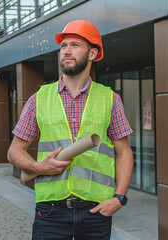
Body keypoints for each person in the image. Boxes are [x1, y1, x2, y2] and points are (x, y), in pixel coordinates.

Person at [7, 20, 133, 240]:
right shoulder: (39, 99)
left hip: (97, 210)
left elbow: (124, 152)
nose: (66, 51)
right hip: (50, 211)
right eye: (63, 46)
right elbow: (14, 151)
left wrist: (119, 198)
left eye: (75, 45)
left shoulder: (110, 99)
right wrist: (37, 166)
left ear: (93, 53)